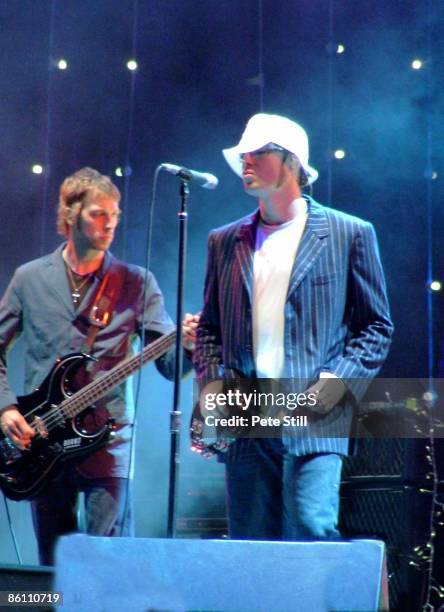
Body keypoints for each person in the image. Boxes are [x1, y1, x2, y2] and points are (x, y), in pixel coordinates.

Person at [193, 113, 393, 540]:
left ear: (292, 162)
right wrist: (213, 393)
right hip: (247, 416)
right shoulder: (224, 241)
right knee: (251, 544)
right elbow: (209, 330)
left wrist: (335, 387)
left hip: (316, 413)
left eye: (258, 151)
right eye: (244, 152)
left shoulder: (348, 233)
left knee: (311, 531)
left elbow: (375, 327)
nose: (245, 160)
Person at [0, 167, 199, 565]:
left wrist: (189, 346)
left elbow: (169, 367)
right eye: (98, 213)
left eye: (115, 214)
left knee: (108, 563)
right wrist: (6, 408)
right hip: (43, 441)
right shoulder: (29, 279)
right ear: (71, 213)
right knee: (52, 566)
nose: (109, 223)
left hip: (108, 443)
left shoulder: (136, 282)